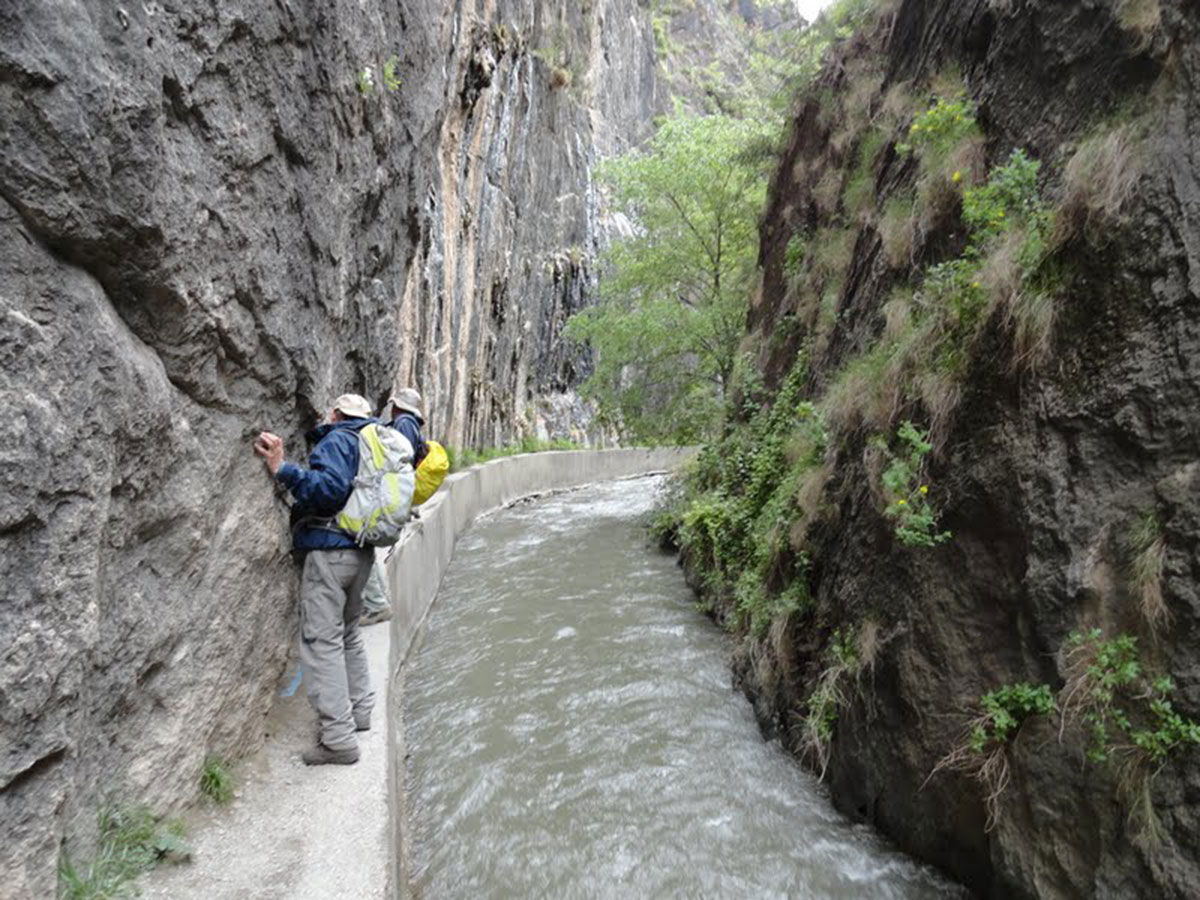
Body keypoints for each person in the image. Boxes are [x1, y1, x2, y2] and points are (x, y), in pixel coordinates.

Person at [253, 393, 377, 766]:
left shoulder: (339, 438)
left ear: (337, 414)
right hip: (361, 552)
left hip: (329, 551)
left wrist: (283, 469)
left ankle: (338, 740)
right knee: (349, 633)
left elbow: (329, 490)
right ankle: (360, 712)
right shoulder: (373, 444)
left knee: (322, 643)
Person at [358, 387, 429, 628]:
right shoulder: (410, 424)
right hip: (400, 491)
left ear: (398, 405)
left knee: (364, 541)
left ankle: (376, 604)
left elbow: (399, 459)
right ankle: (375, 602)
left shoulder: (403, 424)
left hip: (393, 491)